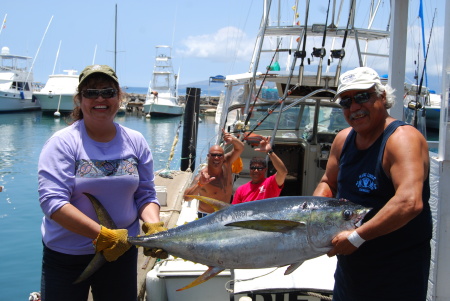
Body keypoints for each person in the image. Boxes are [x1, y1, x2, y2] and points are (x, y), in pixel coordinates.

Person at [38, 64, 167, 301]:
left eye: (108, 92)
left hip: (121, 254)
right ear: (79, 99)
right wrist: (103, 236)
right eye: (91, 93)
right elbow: (53, 203)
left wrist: (154, 225)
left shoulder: (136, 141)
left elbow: (146, 195)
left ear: (119, 98)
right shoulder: (63, 143)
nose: (100, 98)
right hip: (68, 256)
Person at [313, 67, 432, 301]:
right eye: (346, 101)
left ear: (383, 96)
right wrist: (313, 222)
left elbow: (409, 202)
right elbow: (329, 182)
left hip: (396, 279)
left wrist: (357, 237)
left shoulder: (402, 138)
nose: (354, 107)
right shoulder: (343, 139)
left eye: (362, 97)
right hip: (350, 275)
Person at [184, 129, 244, 217]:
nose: (216, 158)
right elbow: (186, 197)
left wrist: (233, 140)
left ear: (223, 157)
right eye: (213, 155)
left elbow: (240, 148)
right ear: (208, 156)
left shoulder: (227, 163)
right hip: (207, 216)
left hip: (226, 213)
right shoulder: (202, 176)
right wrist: (200, 184)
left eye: (219, 155)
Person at [232, 136, 287, 204]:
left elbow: (283, 172)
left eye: (259, 168)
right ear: (250, 169)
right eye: (253, 168)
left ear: (265, 170)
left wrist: (270, 152)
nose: (256, 171)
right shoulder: (240, 190)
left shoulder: (271, 183)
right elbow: (235, 210)